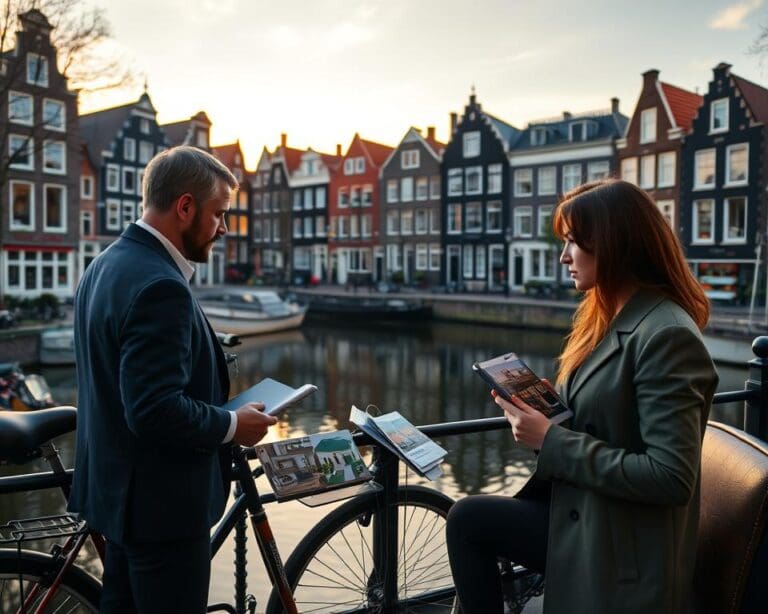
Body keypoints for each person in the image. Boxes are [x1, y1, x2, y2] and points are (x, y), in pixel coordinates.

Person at [446, 179, 718, 613]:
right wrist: (553, 412)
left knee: (468, 521)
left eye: (573, 241)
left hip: (625, 547)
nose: (563, 256)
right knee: (468, 518)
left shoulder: (666, 335)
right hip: (593, 513)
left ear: (614, 244)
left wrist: (551, 440)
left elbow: (670, 477)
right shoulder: (611, 317)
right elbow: (614, 418)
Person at [69, 146, 278, 613]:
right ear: (185, 207)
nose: (224, 228)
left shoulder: (103, 265)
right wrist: (231, 425)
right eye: (219, 214)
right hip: (162, 512)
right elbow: (153, 408)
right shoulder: (161, 285)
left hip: (118, 499)